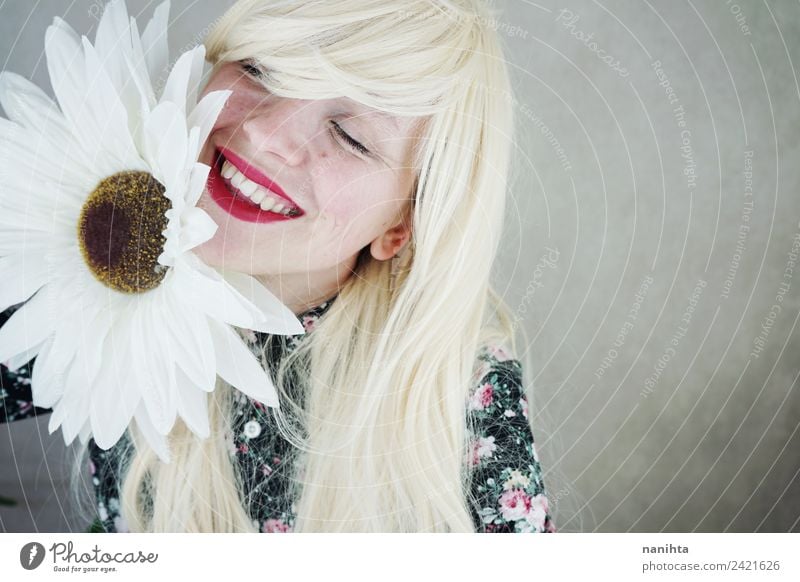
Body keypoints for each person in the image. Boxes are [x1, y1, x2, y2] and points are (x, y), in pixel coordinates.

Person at [0, 0, 555, 533]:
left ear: (400, 226)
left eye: (350, 136)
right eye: (262, 68)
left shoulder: (450, 397)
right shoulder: (98, 240)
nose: (266, 133)